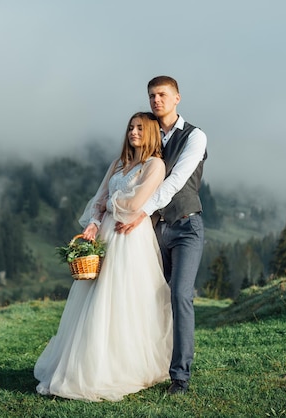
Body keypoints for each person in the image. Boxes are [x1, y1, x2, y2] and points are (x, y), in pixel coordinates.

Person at [34, 112, 173, 402]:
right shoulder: (118, 165)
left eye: (139, 128)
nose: (133, 132)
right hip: (107, 233)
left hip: (130, 236)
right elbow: (99, 200)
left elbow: (135, 203)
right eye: (130, 128)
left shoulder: (154, 165)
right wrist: (95, 222)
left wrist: (111, 204)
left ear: (150, 132)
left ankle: (122, 364)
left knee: (124, 297)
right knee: (95, 297)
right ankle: (86, 363)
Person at [116, 76, 208, 395]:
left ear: (177, 98)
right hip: (153, 230)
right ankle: (146, 365)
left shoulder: (195, 136)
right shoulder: (147, 130)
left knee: (180, 295)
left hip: (185, 226)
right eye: (152, 95)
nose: (157, 100)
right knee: (150, 299)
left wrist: (141, 211)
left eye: (163, 95)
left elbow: (176, 181)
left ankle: (179, 377)